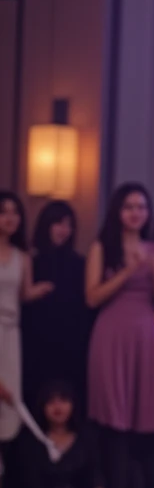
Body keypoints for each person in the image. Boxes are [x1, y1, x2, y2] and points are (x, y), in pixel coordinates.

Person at [86, 183, 154, 488]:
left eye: (141, 206)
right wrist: (125, 271)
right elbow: (91, 297)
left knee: (145, 425)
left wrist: (152, 270)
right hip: (111, 334)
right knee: (113, 426)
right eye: (129, 206)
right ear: (117, 211)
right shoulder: (103, 247)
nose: (136, 212)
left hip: (146, 335)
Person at [6, 380, 129, 488]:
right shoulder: (31, 439)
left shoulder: (85, 438)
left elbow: (93, 475)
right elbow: (30, 485)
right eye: (50, 401)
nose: (57, 406)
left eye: (63, 400)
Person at [22, 200, 89, 406]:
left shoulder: (79, 263)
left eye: (69, 225)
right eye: (58, 223)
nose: (64, 230)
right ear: (46, 225)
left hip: (70, 340)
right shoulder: (30, 261)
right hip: (35, 340)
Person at [0, 191, 54, 451]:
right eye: (4, 212)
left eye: (15, 212)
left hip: (10, 332)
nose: (10, 218)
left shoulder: (22, 256)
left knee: (11, 398)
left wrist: (41, 290)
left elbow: (23, 293)